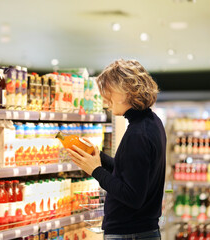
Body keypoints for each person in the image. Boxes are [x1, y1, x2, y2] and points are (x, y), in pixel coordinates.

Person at [67, 59, 166, 240]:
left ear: (124, 92)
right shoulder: (151, 122)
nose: (105, 101)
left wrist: (95, 170)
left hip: (130, 234)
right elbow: (132, 173)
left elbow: (132, 196)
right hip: (142, 230)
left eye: (108, 93)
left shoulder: (138, 134)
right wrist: (100, 157)